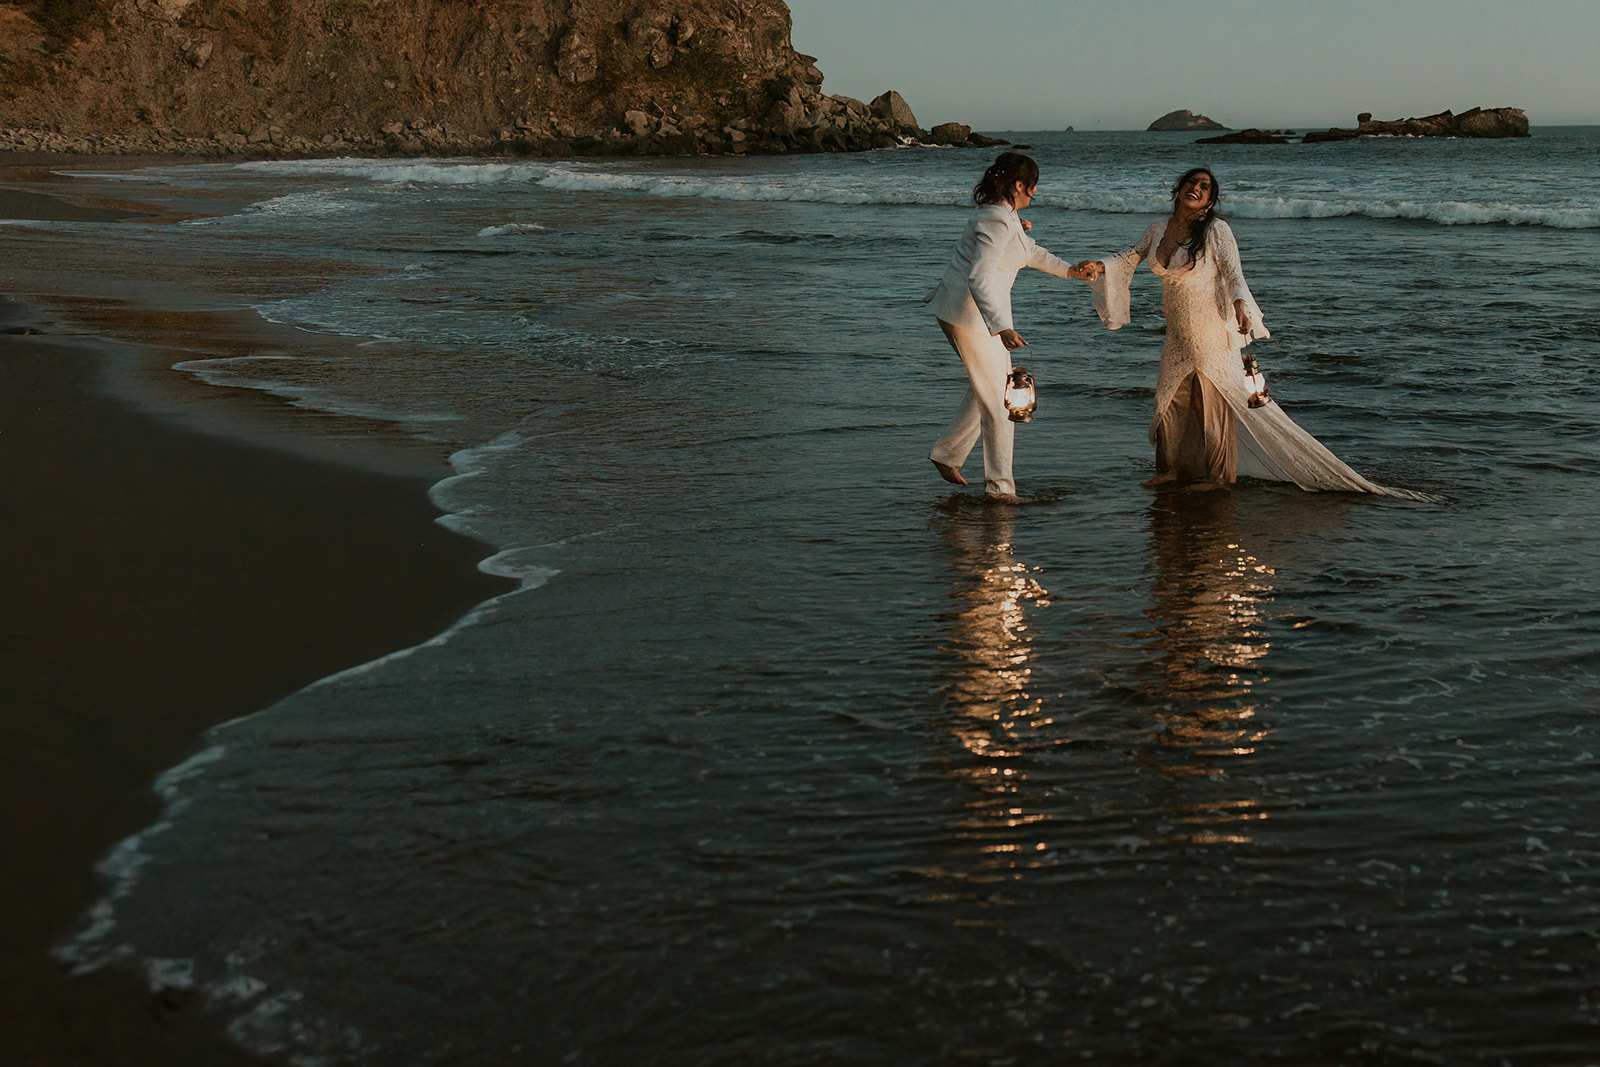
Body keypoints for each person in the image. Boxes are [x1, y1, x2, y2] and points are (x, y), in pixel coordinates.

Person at [1081, 167, 1422, 498]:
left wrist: (1241, 305)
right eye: (1192, 181)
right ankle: (1169, 470)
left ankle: (1216, 476)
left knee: (1212, 400)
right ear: (1180, 188)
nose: (1196, 187)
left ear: (1209, 202)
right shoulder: (1158, 228)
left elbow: (1233, 274)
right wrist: (1098, 266)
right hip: (1178, 332)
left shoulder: (1217, 230)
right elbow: (1129, 257)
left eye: (1205, 187)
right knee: (1170, 398)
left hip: (1211, 325)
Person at [927, 152, 1096, 503]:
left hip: (966, 312)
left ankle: (947, 453)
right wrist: (1001, 327)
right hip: (970, 318)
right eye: (1033, 189)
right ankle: (1000, 491)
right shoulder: (996, 220)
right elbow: (980, 276)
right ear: (1020, 185)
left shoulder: (1007, 215)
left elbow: (1029, 252)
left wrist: (1069, 270)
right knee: (1000, 404)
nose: (1033, 196)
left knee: (987, 388)